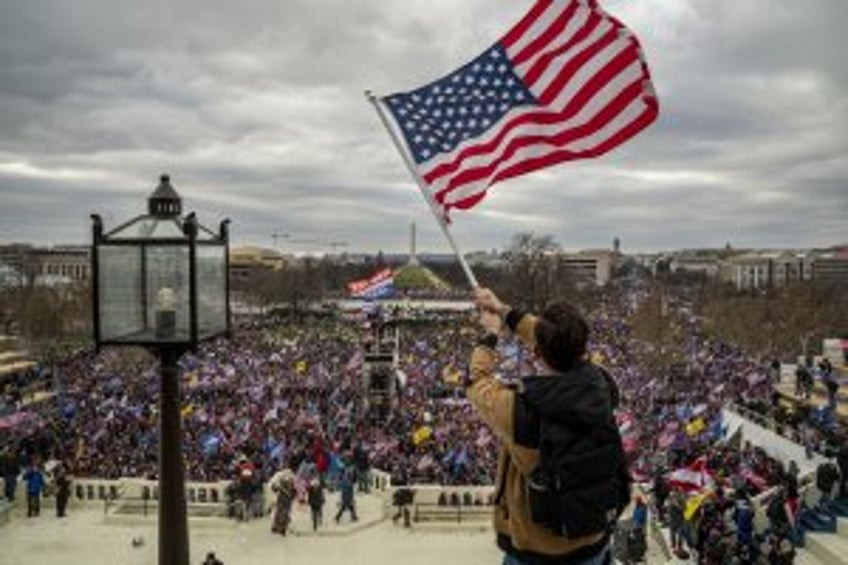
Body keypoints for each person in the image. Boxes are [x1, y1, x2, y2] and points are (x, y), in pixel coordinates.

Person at [469, 288, 629, 564]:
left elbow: (476, 380)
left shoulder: (519, 409)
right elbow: (559, 342)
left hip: (536, 549)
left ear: (538, 352)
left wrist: (491, 335)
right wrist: (504, 310)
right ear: (583, 347)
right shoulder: (602, 385)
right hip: (593, 538)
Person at [270, 469, 295, 536]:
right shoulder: (279, 479)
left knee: (284, 514)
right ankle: (277, 527)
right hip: (282, 500)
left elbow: (294, 491)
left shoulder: (291, 481)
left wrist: (292, 496)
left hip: (286, 500)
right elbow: (273, 488)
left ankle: (281, 528)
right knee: (280, 513)